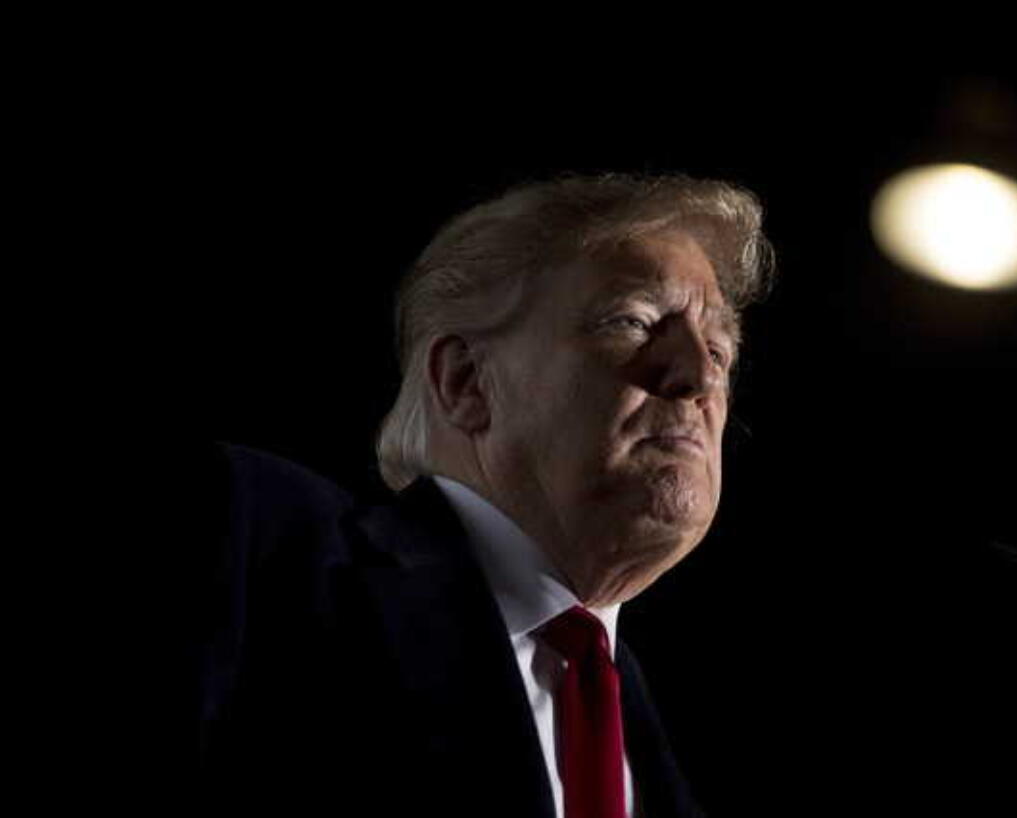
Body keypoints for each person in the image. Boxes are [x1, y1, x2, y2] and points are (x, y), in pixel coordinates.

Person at [193, 173, 776, 815]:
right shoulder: (250, 538)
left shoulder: (690, 733)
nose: (697, 378)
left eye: (720, 353)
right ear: (466, 382)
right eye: (634, 322)